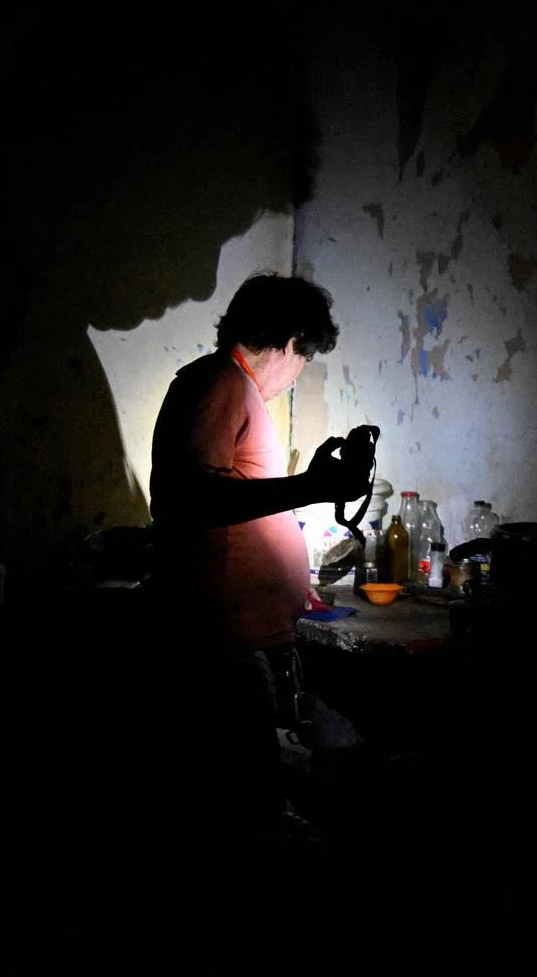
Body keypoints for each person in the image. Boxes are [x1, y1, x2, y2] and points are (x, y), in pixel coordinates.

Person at [149, 272, 373, 839]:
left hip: (244, 636)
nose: (297, 377)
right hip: (223, 641)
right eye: (306, 358)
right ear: (293, 339)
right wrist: (311, 487)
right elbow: (196, 496)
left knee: (249, 794)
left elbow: (236, 499)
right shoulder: (218, 383)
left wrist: (285, 576)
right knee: (243, 808)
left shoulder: (232, 387)